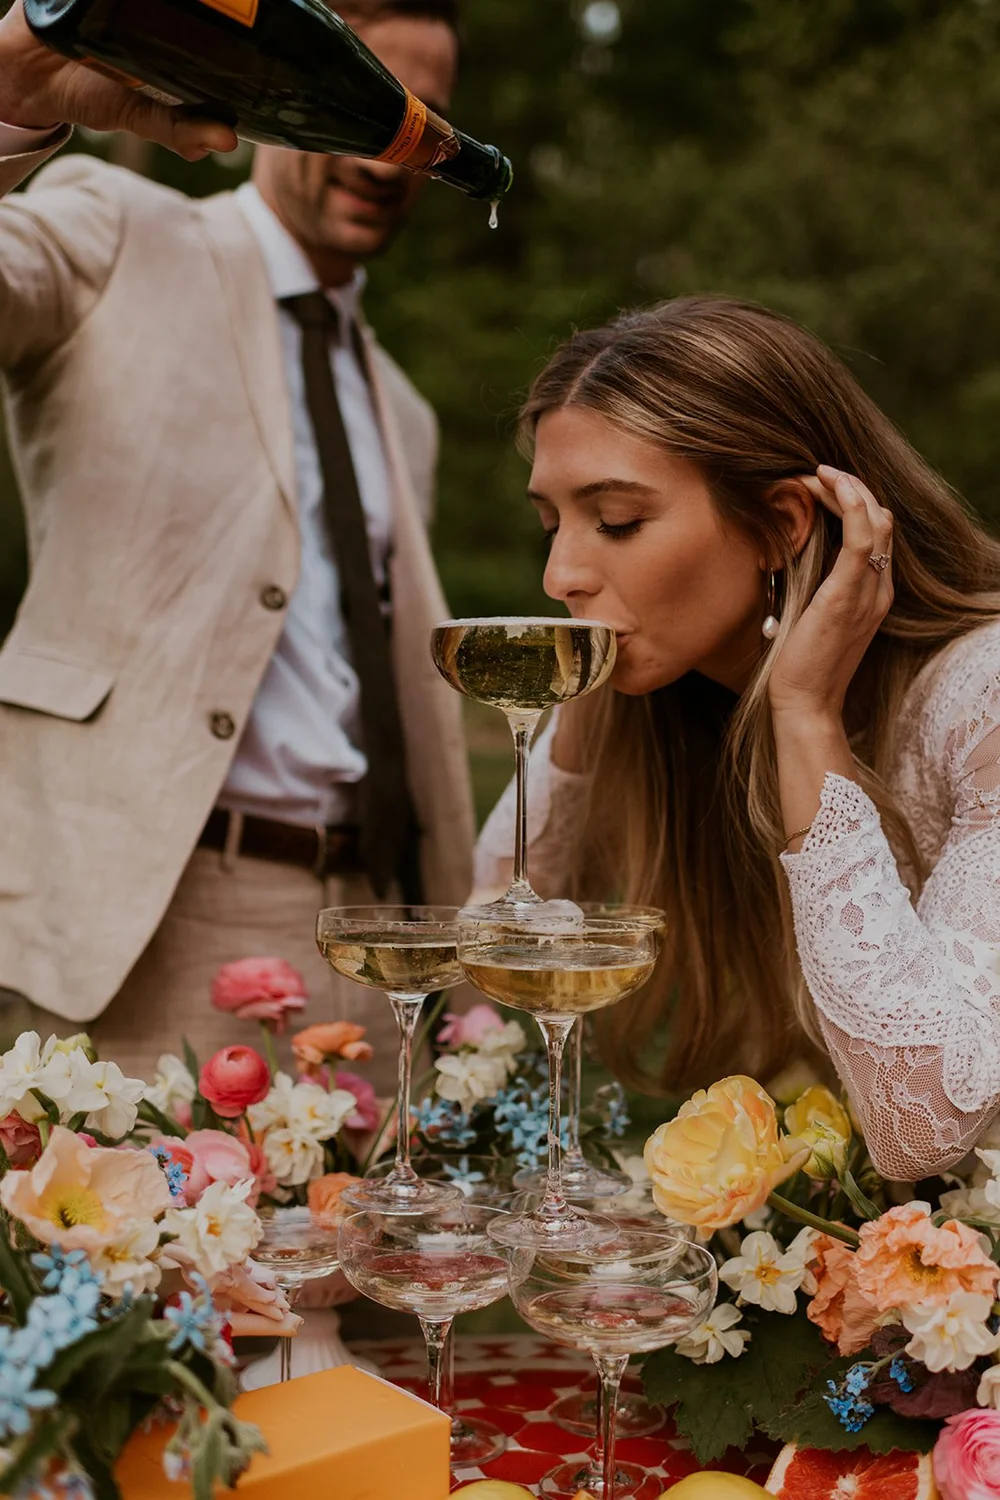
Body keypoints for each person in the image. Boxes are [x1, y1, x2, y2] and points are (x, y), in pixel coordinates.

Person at [0, 0, 475, 1086]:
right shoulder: (114, 224)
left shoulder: (403, 410)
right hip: (150, 905)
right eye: (372, 101)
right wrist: (8, 103)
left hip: (377, 923)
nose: (387, 154)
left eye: (422, 119)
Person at [474, 294, 1000, 1184]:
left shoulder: (982, 699)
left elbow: (922, 1123)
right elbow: (495, 935)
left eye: (617, 522)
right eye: (550, 523)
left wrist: (804, 715)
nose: (559, 575)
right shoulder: (676, 697)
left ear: (780, 525)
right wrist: (591, 674)